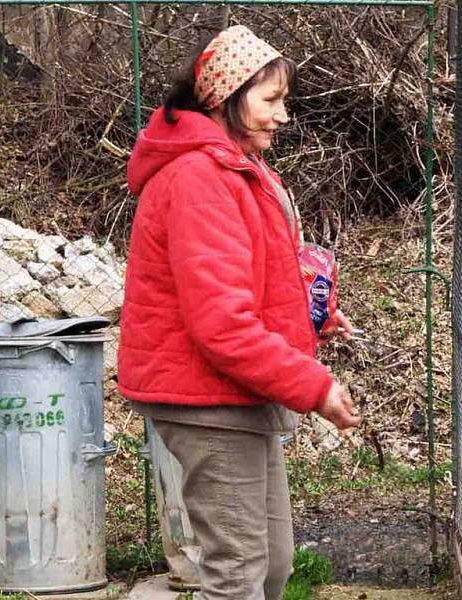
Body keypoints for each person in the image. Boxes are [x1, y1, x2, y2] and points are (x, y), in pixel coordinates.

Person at [117, 25, 361, 600]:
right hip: (206, 398)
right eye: (270, 100)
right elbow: (220, 321)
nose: (282, 116)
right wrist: (314, 386)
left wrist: (311, 317)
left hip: (232, 392)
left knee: (270, 566)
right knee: (239, 575)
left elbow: (253, 273)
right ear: (227, 97)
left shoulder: (231, 165)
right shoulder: (201, 176)